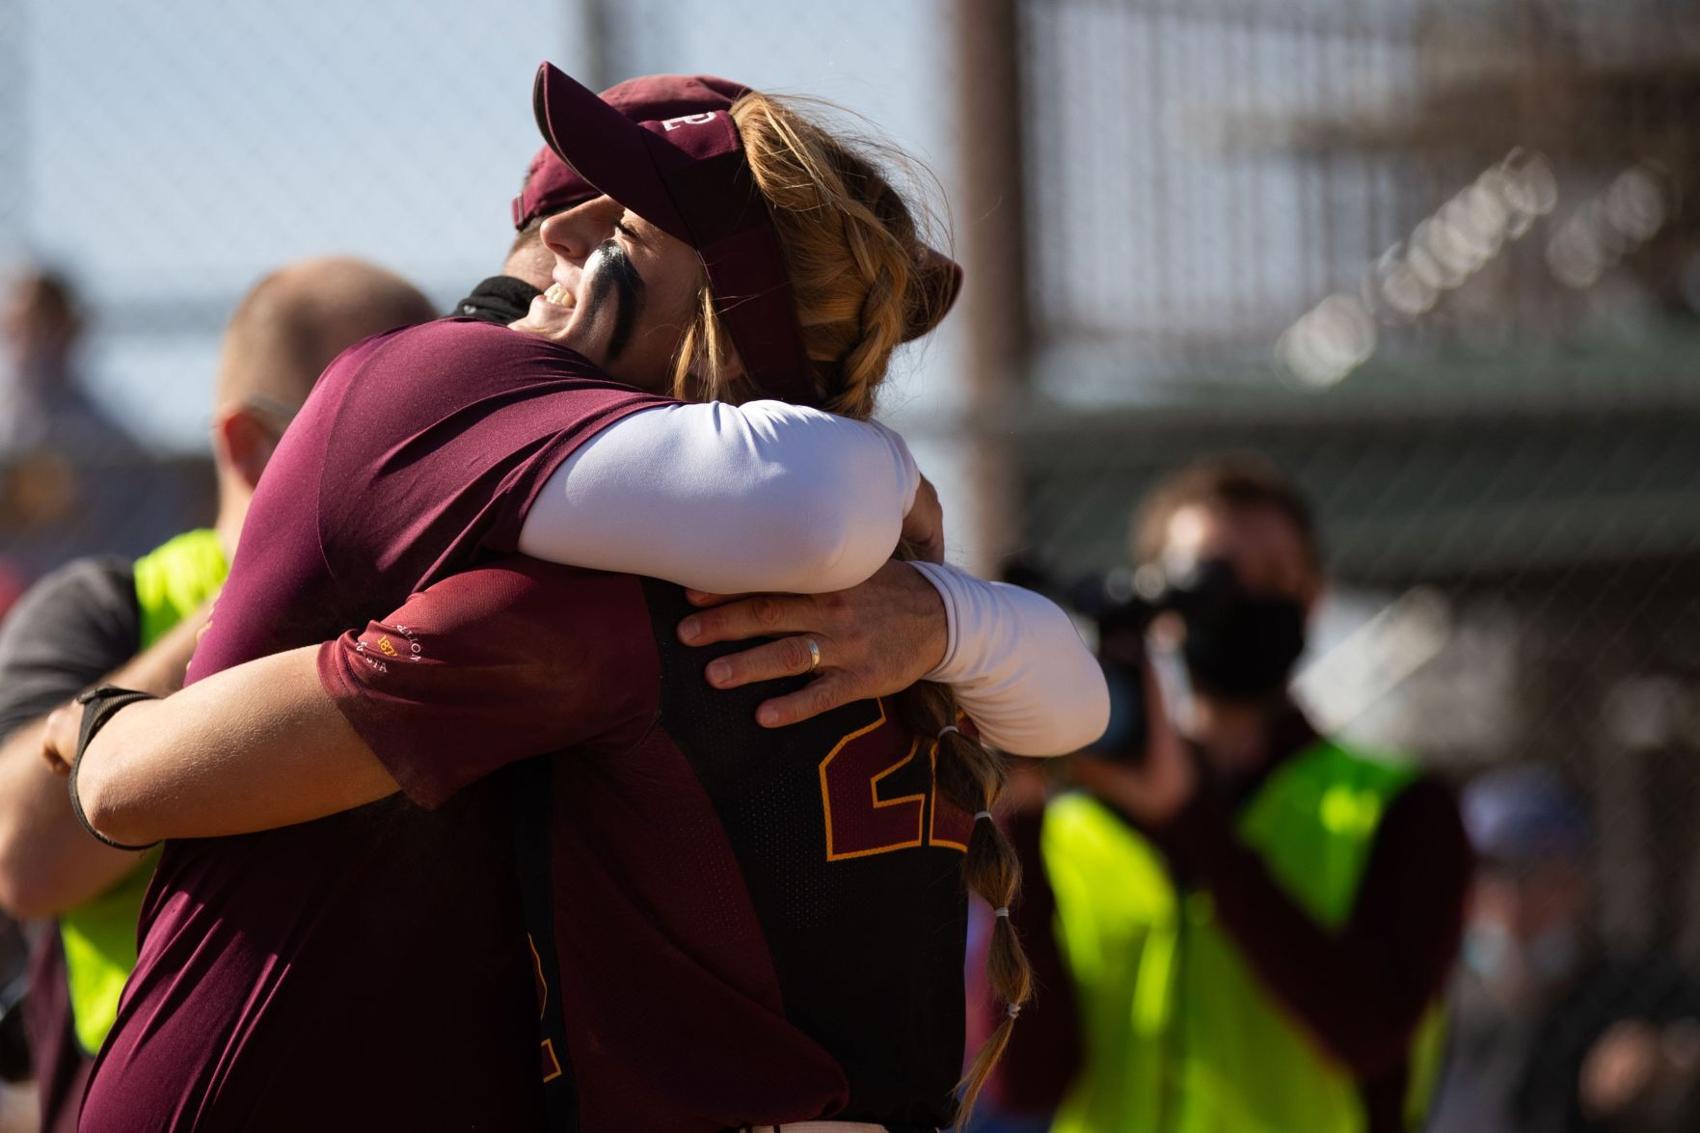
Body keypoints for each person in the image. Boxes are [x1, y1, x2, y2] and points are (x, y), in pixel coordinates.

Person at [50, 65, 1101, 1133]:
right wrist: (927, 555)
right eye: (577, 213)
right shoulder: (438, 385)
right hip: (261, 1075)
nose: (573, 249)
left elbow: (127, 783)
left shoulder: (716, 581)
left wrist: (104, 739)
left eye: (627, 220)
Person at [0, 256, 438, 1133]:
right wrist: (247, 613)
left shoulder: (453, 614)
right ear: (249, 445)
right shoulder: (113, 610)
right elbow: (24, 857)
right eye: (368, 440)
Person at [988, 454, 1474, 1133]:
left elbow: (1369, 1034)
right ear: (1160, 610)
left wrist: (1190, 821)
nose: (1243, 599)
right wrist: (1023, 816)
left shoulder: (1400, 809)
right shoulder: (1076, 825)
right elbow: (1025, 1080)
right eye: (1210, 581)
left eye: (1273, 576)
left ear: (1313, 596)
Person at [1428, 766, 1700, 1133]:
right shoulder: (1433, 1014)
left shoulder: (1638, 990)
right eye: (1488, 876)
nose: (1512, 906)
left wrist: (1669, 1058)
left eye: (1535, 877)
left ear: (1580, 884)